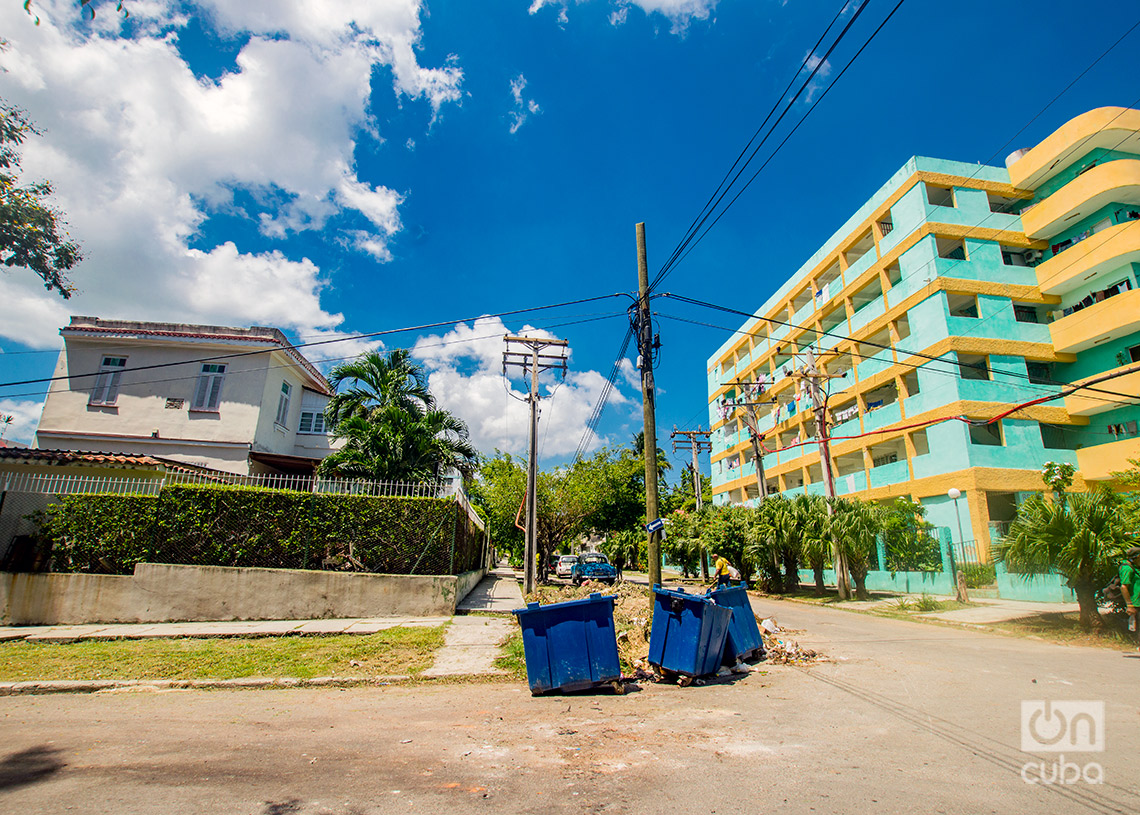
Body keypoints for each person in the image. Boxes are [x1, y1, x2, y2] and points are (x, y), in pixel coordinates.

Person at [1121, 546, 1140, 649]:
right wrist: (1129, 605)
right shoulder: (1127, 568)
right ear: (1137, 557)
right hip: (1136, 603)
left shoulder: (1136, 567)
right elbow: (1123, 587)